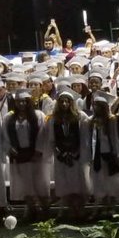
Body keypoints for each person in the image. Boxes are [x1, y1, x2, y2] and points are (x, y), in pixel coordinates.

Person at [6, 91, 51, 220]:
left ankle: (45, 211)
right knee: (25, 185)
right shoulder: (10, 117)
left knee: (40, 184)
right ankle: (31, 210)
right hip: (19, 155)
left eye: (24, 101)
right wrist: (9, 148)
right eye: (19, 101)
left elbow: (43, 135)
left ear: (29, 102)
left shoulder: (38, 115)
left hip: (36, 156)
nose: (22, 104)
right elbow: (4, 136)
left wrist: (38, 151)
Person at [50, 90, 90, 220]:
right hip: (60, 156)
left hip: (77, 156)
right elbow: (52, 139)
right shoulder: (54, 118)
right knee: (64, 184)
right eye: (61, 101)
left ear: (72, 103)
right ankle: (68, 209)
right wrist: (59, 153)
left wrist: (76, 153)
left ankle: (80, 209)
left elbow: (85, 138)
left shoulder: (81, 116)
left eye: (67, 101)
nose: (64, 104)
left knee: (78, 183)